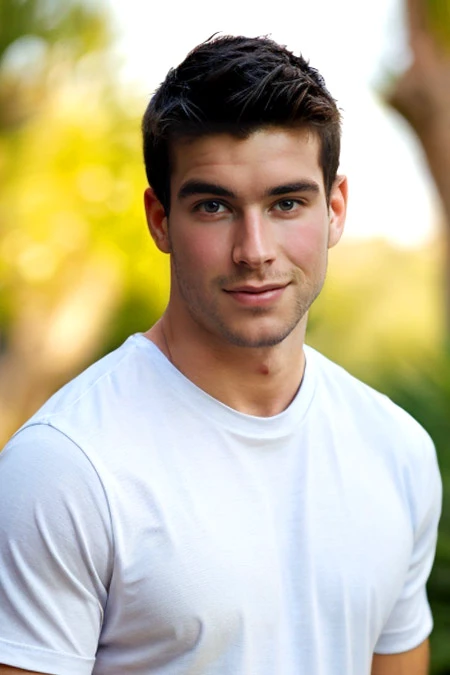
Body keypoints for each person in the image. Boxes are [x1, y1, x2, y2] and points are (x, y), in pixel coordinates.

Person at [0, 35, 442, 675]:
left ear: (335, 209)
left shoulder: (397, 450)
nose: (254, 249)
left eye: (287, 203)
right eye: (214, 206)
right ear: (159, 220)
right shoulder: (64, 468)